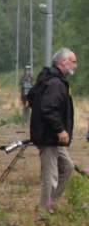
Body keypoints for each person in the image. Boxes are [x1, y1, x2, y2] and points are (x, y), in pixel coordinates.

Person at [29, 48, 77, 212]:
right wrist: (60, 130)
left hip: (51, 136)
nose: (75, 66)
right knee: (50, 175)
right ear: (62, 62)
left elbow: (31, 97)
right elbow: (48, 109)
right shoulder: (55, 83)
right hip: (49, 137)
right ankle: (44, 211)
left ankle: (49, 202)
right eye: (73, 61)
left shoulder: (49, 79)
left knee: (68, 167)